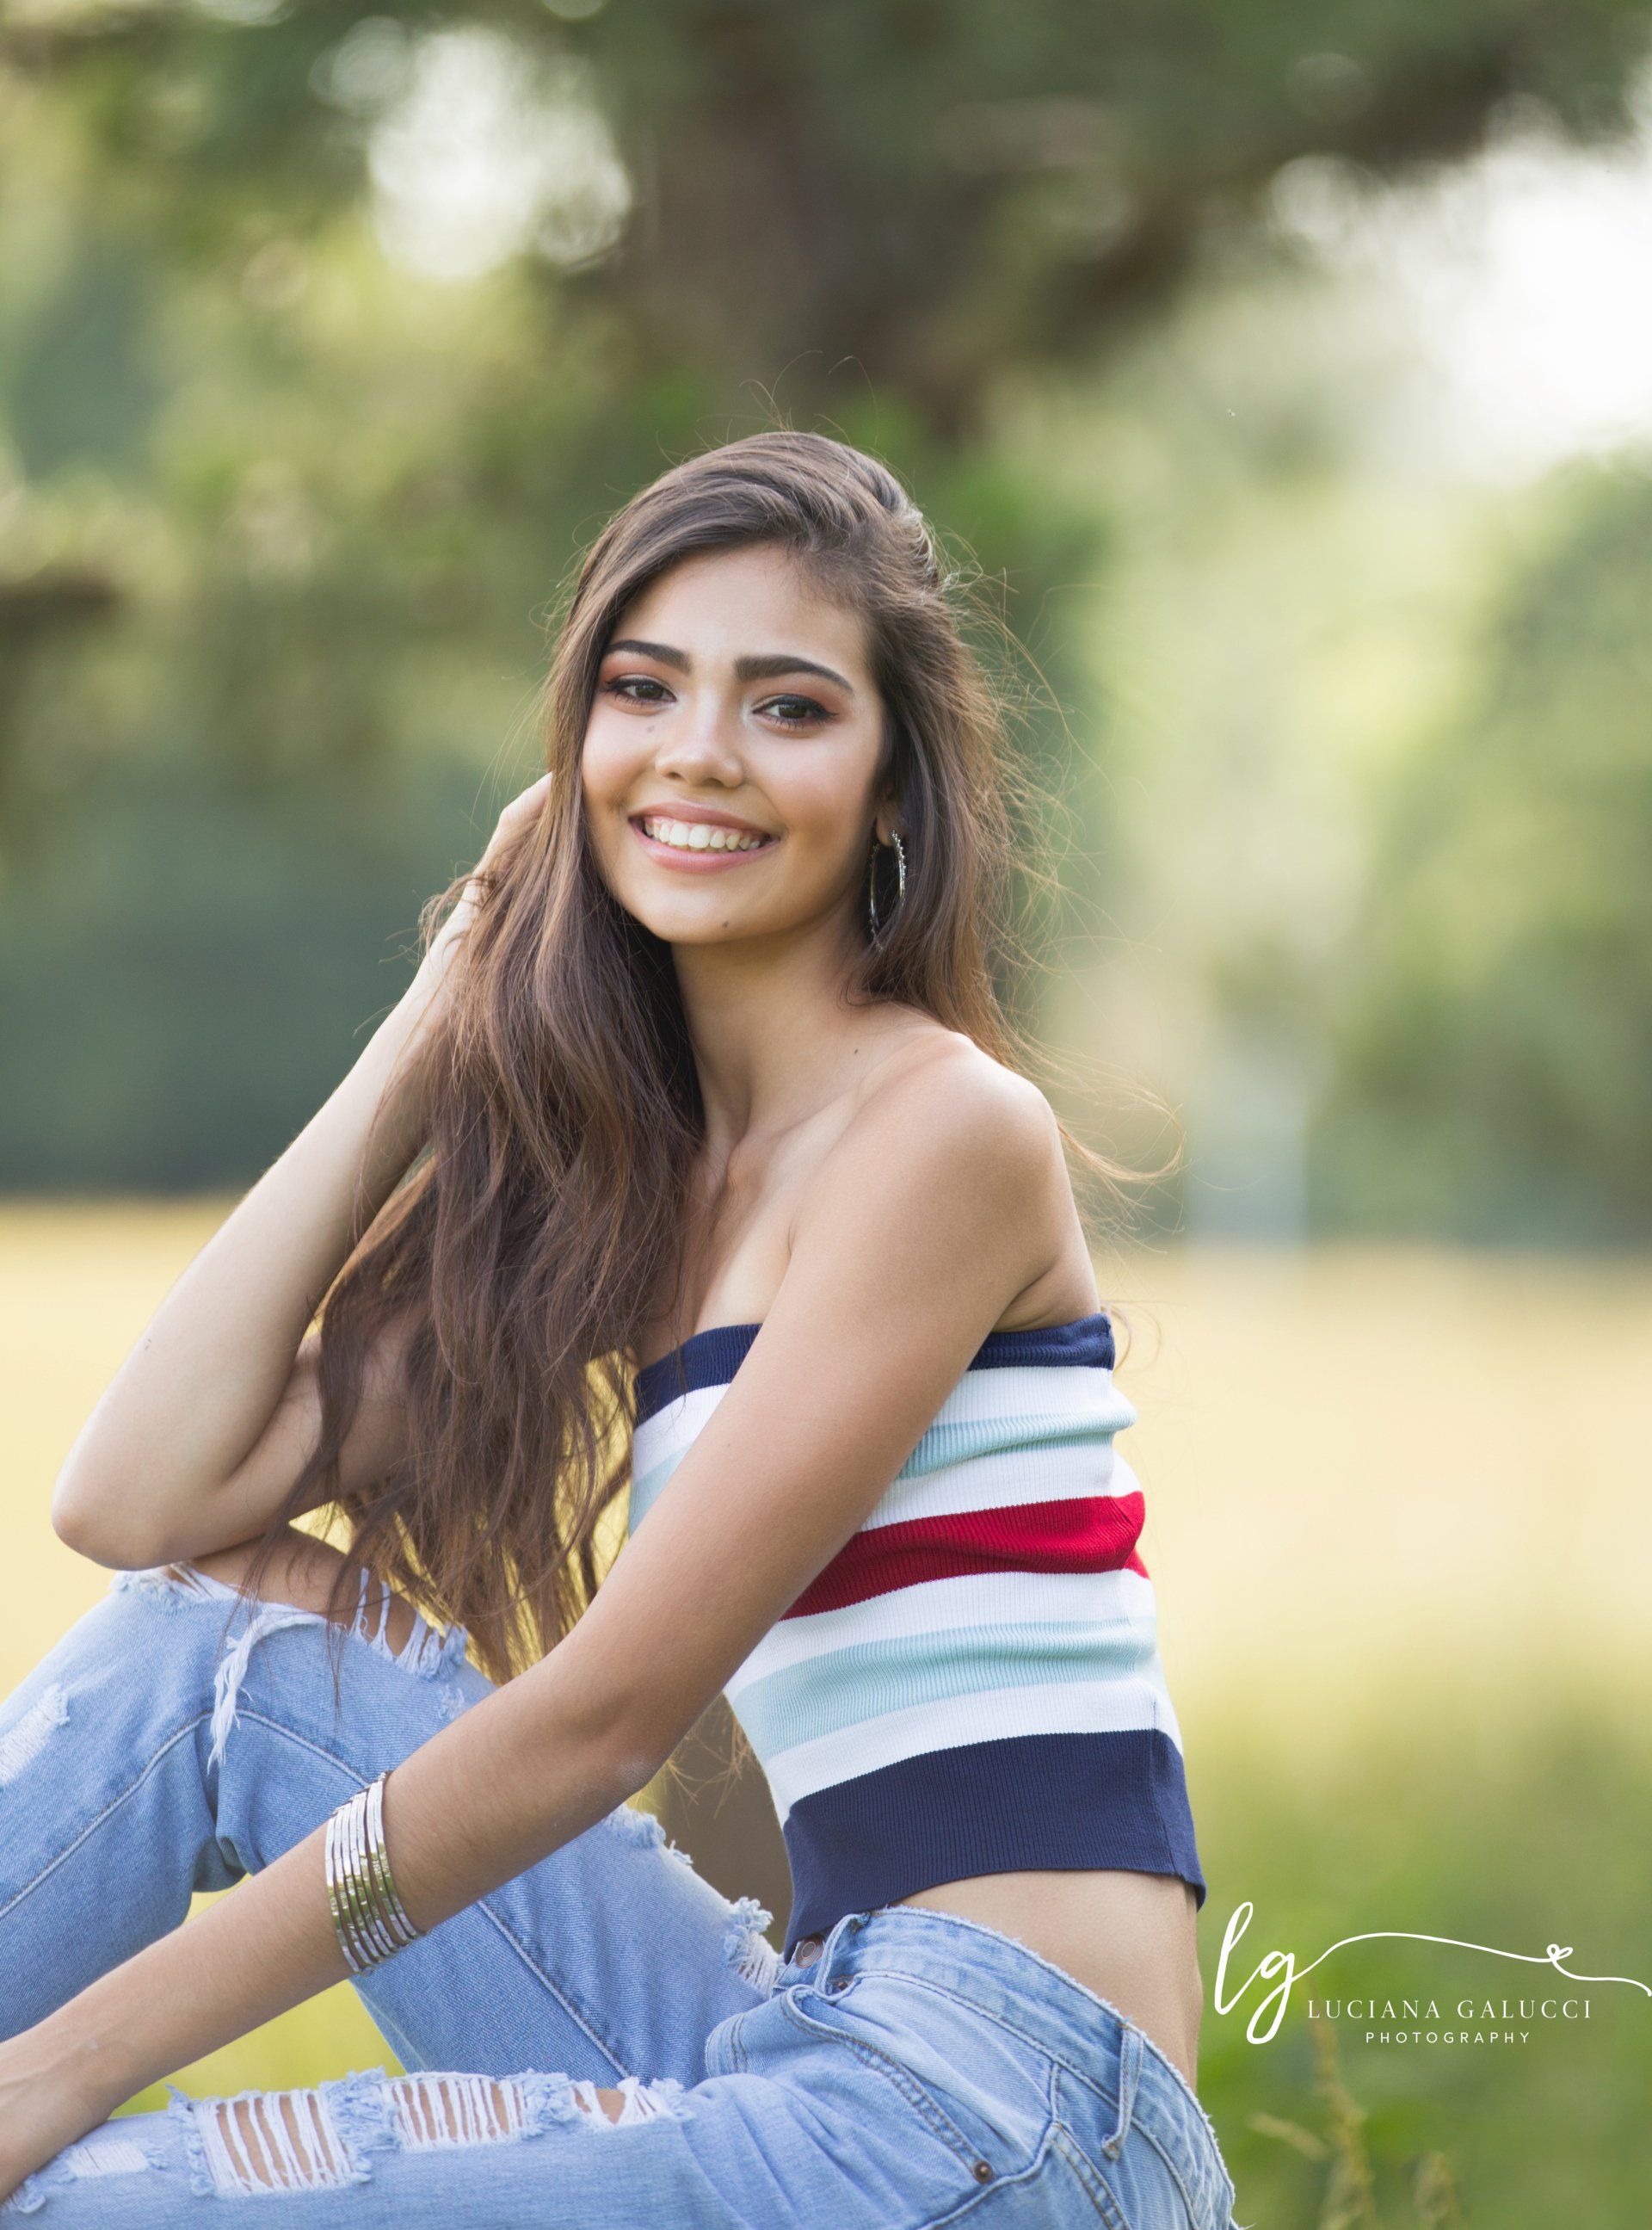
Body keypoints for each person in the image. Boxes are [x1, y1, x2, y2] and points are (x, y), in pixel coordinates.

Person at [0, 431, 1241, 2227]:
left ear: (897, 791)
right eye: (643, 689)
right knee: (217, 1656)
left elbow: (607, 1716)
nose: (699, 752)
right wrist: (438, 1013)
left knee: (80, 2198)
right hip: (809, 2037)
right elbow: (142, 1497)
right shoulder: (643, 1204)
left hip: (1012, 2114)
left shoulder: (945, 1137)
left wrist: (63, 2062)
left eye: (790, 707)